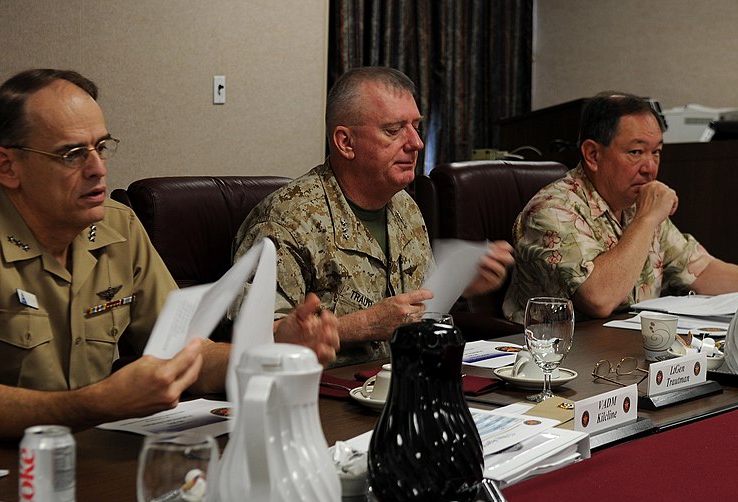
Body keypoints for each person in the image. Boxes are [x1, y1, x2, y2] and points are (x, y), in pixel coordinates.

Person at [0, 69, 339, 441]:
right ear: (7, 167)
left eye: (101, 146)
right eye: (72, 154)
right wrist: (98, 402)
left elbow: (188, 354)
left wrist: (270, 352)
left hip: (87, 453)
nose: (97, 169)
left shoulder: (118, 226)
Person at [233, 66, 513, 365]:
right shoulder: (287, 220)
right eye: (394, 130)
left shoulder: (405, 207)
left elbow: (416, 307)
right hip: (325, 396)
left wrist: (462, 283)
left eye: (416, 126)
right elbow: (254, 342)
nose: (416, 142)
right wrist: (362, 325)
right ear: (346, 143)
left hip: (408, 382)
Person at [503, 91, 738, 323]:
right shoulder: (551, 210)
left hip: (626, 347)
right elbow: (599, 299)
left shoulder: (638, 205)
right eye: (636, 152)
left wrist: (646, 217)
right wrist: (646, 220)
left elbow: (701, 271)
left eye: (656, 152)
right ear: (593, 155)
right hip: (560, 354)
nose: (650, 167)